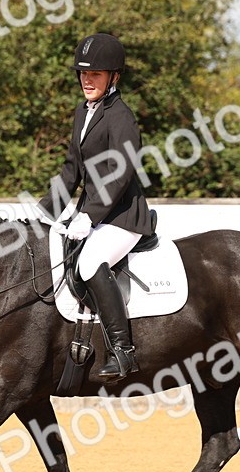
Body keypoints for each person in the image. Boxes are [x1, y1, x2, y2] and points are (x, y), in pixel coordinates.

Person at [37, 33, 153, 381]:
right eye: (84, 74)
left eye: (97, 74)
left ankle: (123, 352)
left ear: (114, 77)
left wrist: (90, 215)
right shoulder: (83, 113)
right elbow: (72, 169)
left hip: (123, 216)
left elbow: (120, 174)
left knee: (89, 263)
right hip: (94, 214)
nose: (88, 80)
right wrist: (43, 213)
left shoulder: (121, 117)